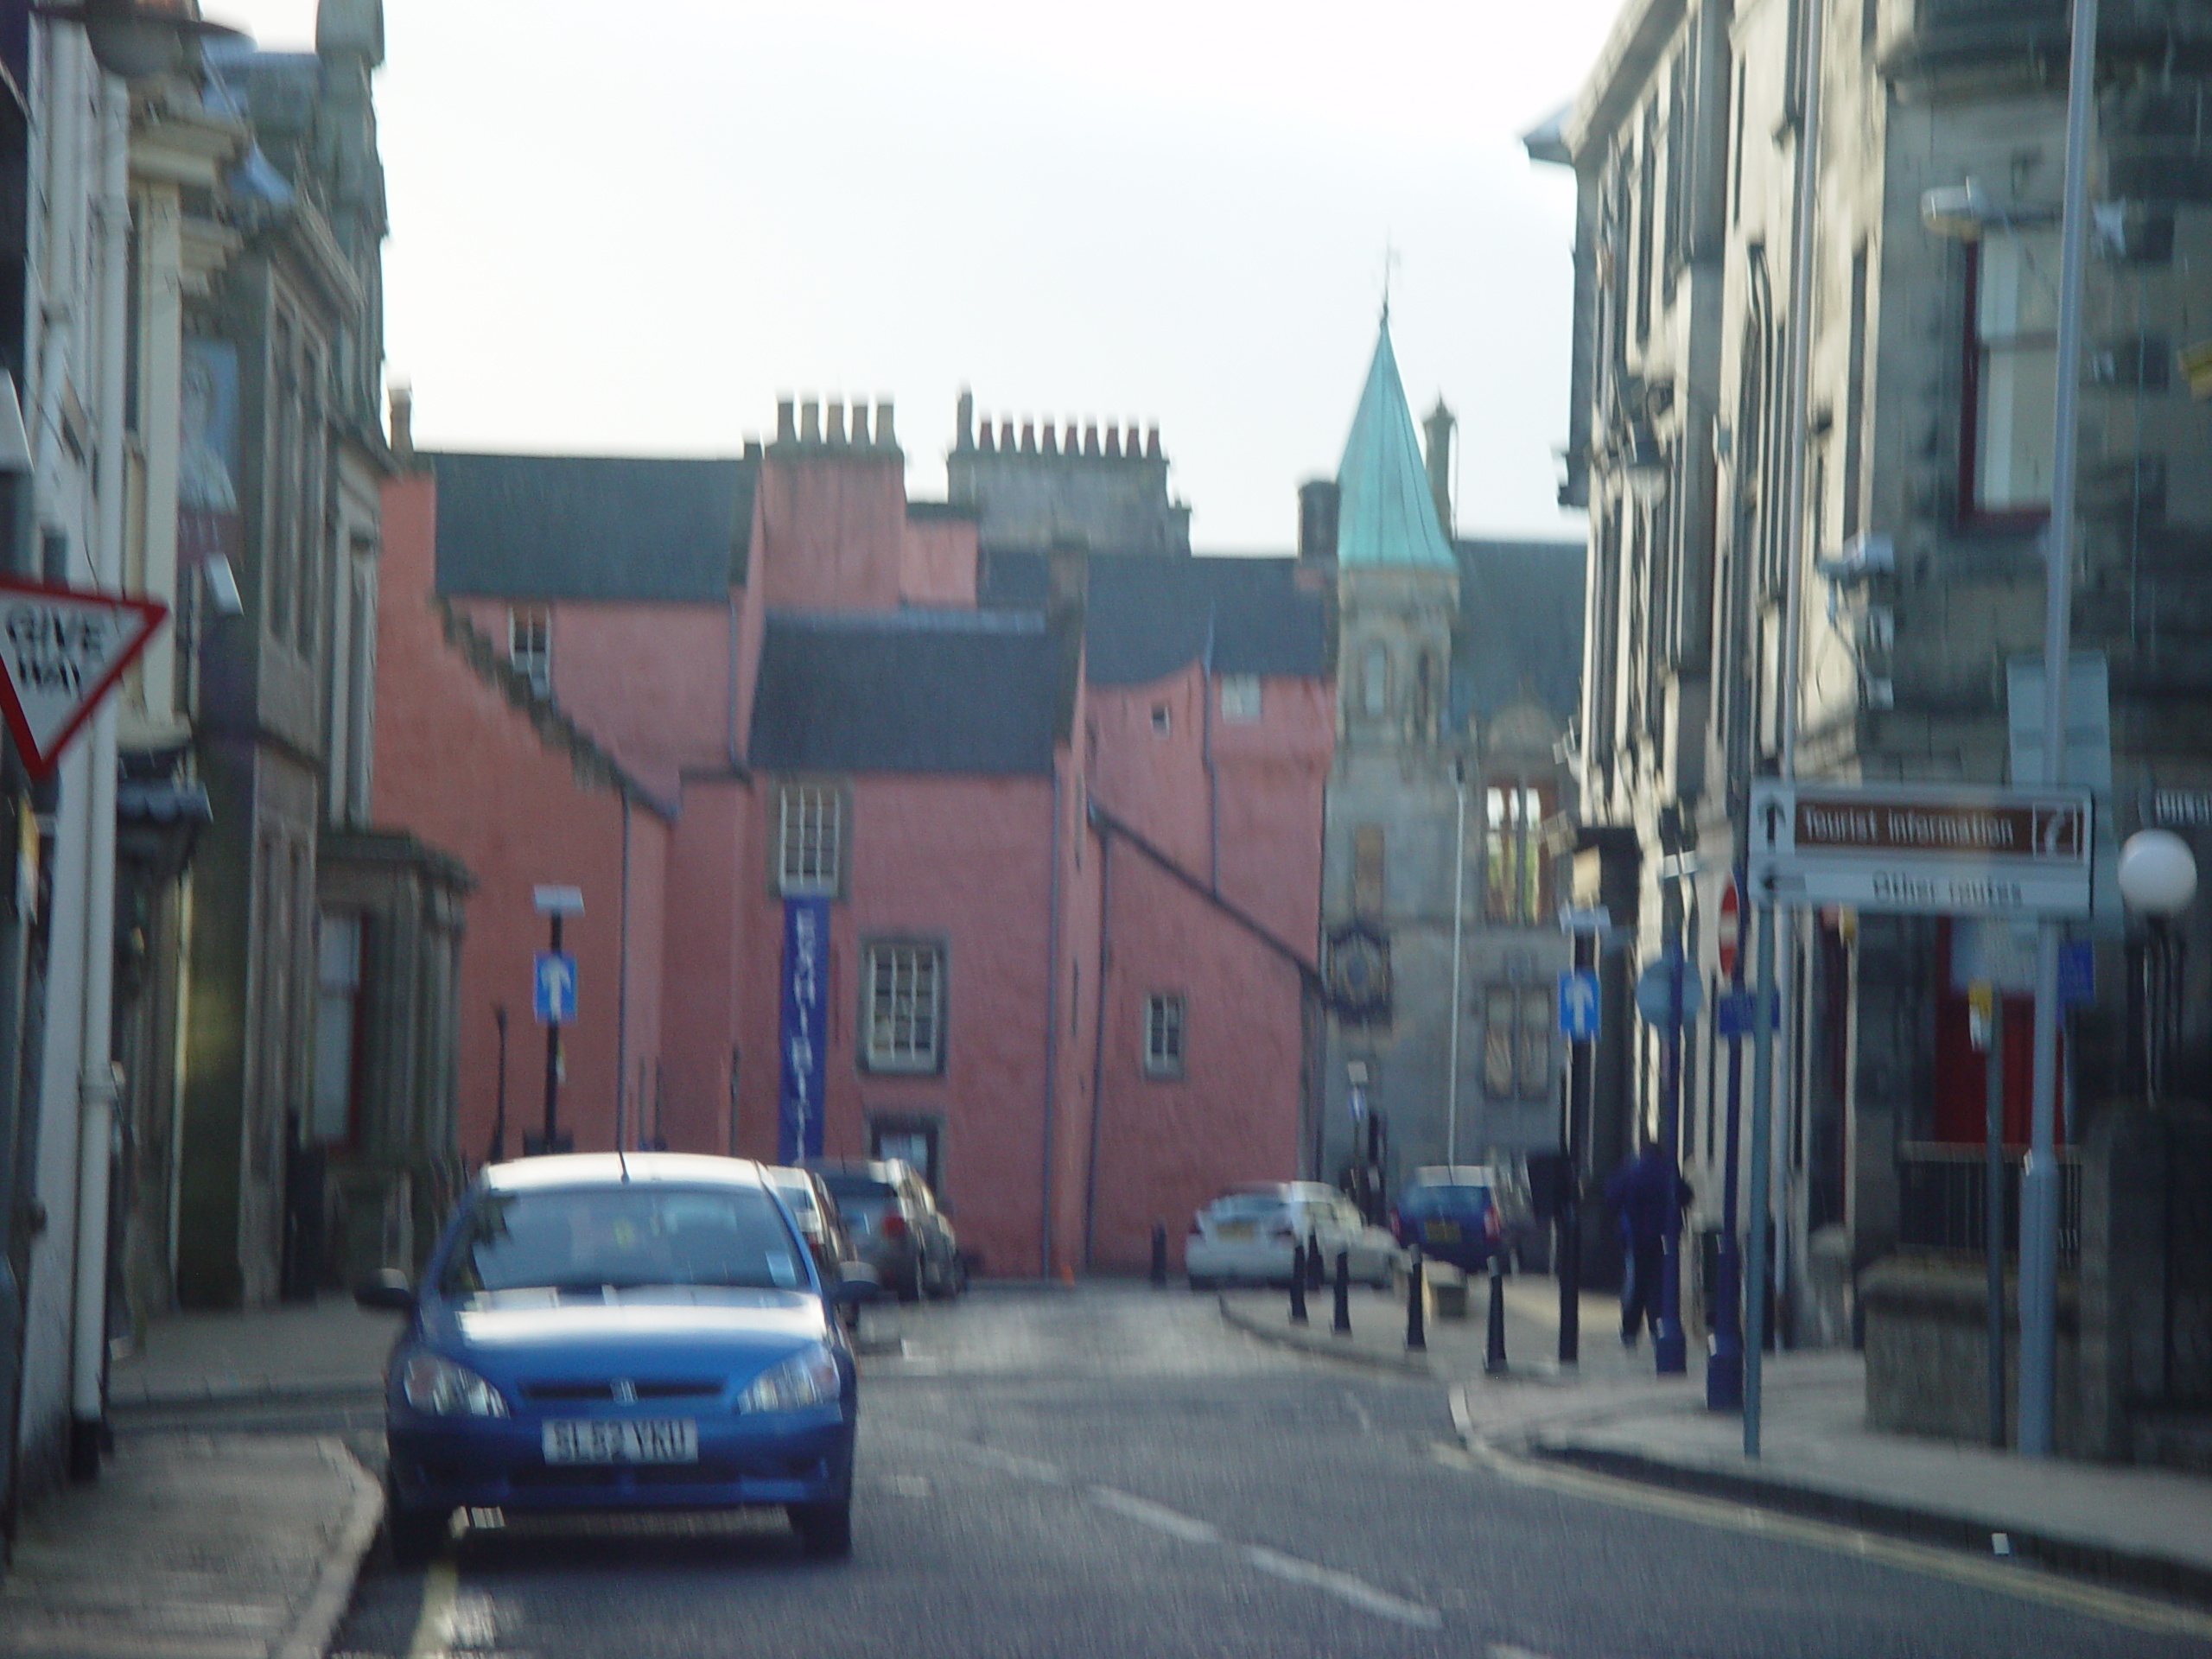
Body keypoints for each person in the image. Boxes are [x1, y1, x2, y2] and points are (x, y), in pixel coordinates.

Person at [1605, 1139, 1691, 1348]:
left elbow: (1611, 1197)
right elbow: (1686, 1195)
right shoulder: (1667, 1172)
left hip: (1634, 1239)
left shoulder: (1630, 1170)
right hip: (1662, 1240)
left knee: (1634, 1286)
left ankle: (1630, 1332)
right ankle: (1657, 1328)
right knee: (1659, 1286)